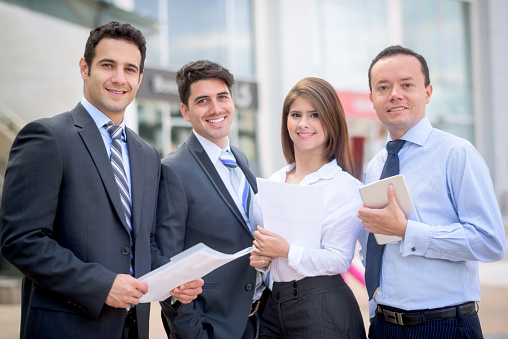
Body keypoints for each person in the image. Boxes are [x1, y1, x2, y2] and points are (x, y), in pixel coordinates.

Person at [0, 22, 203, 339]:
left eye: (130, 69)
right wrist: (101, 286)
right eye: (108, 65)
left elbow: (143, 242)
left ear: (140, 79)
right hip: (66, 328)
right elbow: (22, 240)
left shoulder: (147, 154)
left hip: (131, 329)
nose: (119, 78)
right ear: (85, 68)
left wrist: (172, 281)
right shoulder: (46, 138)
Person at [357, 45, 506, 338]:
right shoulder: (375, 166)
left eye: (407, 84)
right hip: (384, 327)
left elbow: (491, 242)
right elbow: (372, 248)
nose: (394, 94)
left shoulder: (457, 154)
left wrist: (408, 232)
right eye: (383, 87)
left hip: (443, 326)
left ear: (427, 93)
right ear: (372, 99)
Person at [155, 60, 265, 339]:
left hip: (257, 322)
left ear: (233, 102)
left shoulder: (239, 158)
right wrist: (194, 334)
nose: (216, 109)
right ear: (185, 111)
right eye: (203, 101)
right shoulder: (173, 170)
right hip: (212, 327)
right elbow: (168, 267)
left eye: (222, 97)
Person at [250, 77, 366, 338]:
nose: (304, 123)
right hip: (272, 305)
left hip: (321, 305)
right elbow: (264, 250)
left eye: (314, 115)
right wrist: (262, 259)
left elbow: (338, 259)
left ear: (332, 121)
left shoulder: (344, 187)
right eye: (296, 114)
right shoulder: (274, 181)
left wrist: (287, 251)